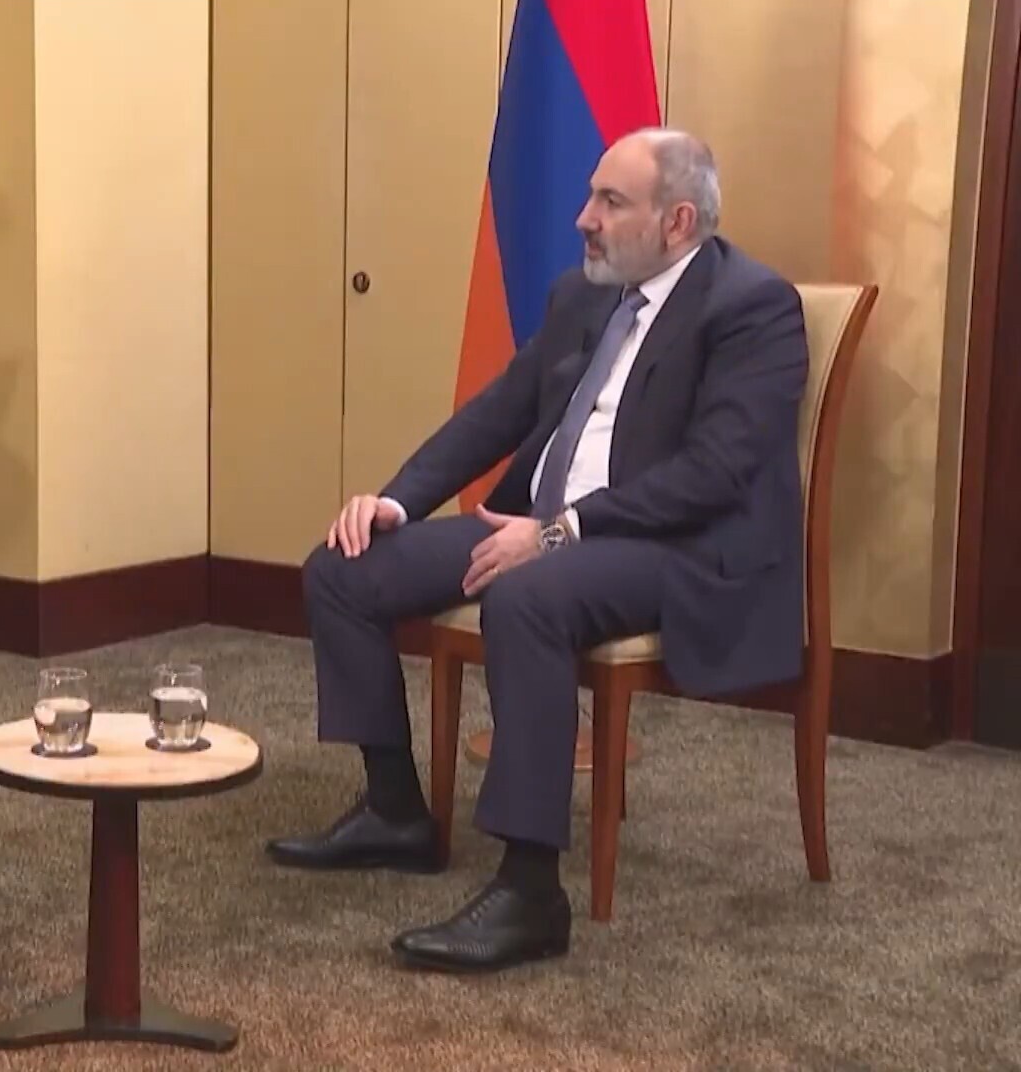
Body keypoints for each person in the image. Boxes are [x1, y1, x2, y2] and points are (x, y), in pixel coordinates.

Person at [267, 128, 808, 972]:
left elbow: (715, 473)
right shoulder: (583, 295)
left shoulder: (752, 308)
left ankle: (529, 893)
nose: (583, 218)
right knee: (343, 569)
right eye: (591, 195)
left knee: (528, 596)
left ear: (677, 222)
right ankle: (396, 812)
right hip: (546, 525)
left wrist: (561, 531)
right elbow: (498, 412)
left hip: (675, 543)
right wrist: (396, 501)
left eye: (610, 202)